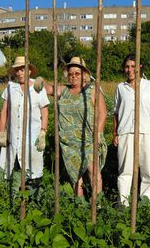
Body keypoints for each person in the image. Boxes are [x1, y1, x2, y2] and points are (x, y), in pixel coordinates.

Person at [36, 56, 107, 197]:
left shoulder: (92, 91)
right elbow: (49, 88)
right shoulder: (64, 90)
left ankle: (97, 204)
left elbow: (103, 113)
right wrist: (40, 81)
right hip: (68, 143)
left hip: (89, 139)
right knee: (75, 176)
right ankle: (79, 206)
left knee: (93, 172)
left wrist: (98, 133)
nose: (73, 76)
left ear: (84, 75)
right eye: (70, 74)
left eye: (77, 73)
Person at [113, 54, 150, 206]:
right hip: (126, 132)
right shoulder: (120, 88)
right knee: (125, 171)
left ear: (140, 67)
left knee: (148, 171)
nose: (130, 70)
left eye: (133, 66)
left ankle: (147, 205)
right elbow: (116, 112)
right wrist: (114, 133)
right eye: (127, 66)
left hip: (146, 132)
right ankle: (123, 204)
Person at [0, 56, 49, 182]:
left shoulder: (38, 88)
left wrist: (43, 132)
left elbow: (45, 112)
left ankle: (30, 196)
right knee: (10, 169)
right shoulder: (11, 88)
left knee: (32, 172)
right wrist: (2, 133)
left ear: (29, 71)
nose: (20, 73)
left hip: (32, 137)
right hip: (13, 136)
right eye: (18, 70)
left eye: (22, 69)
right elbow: (4, 111)